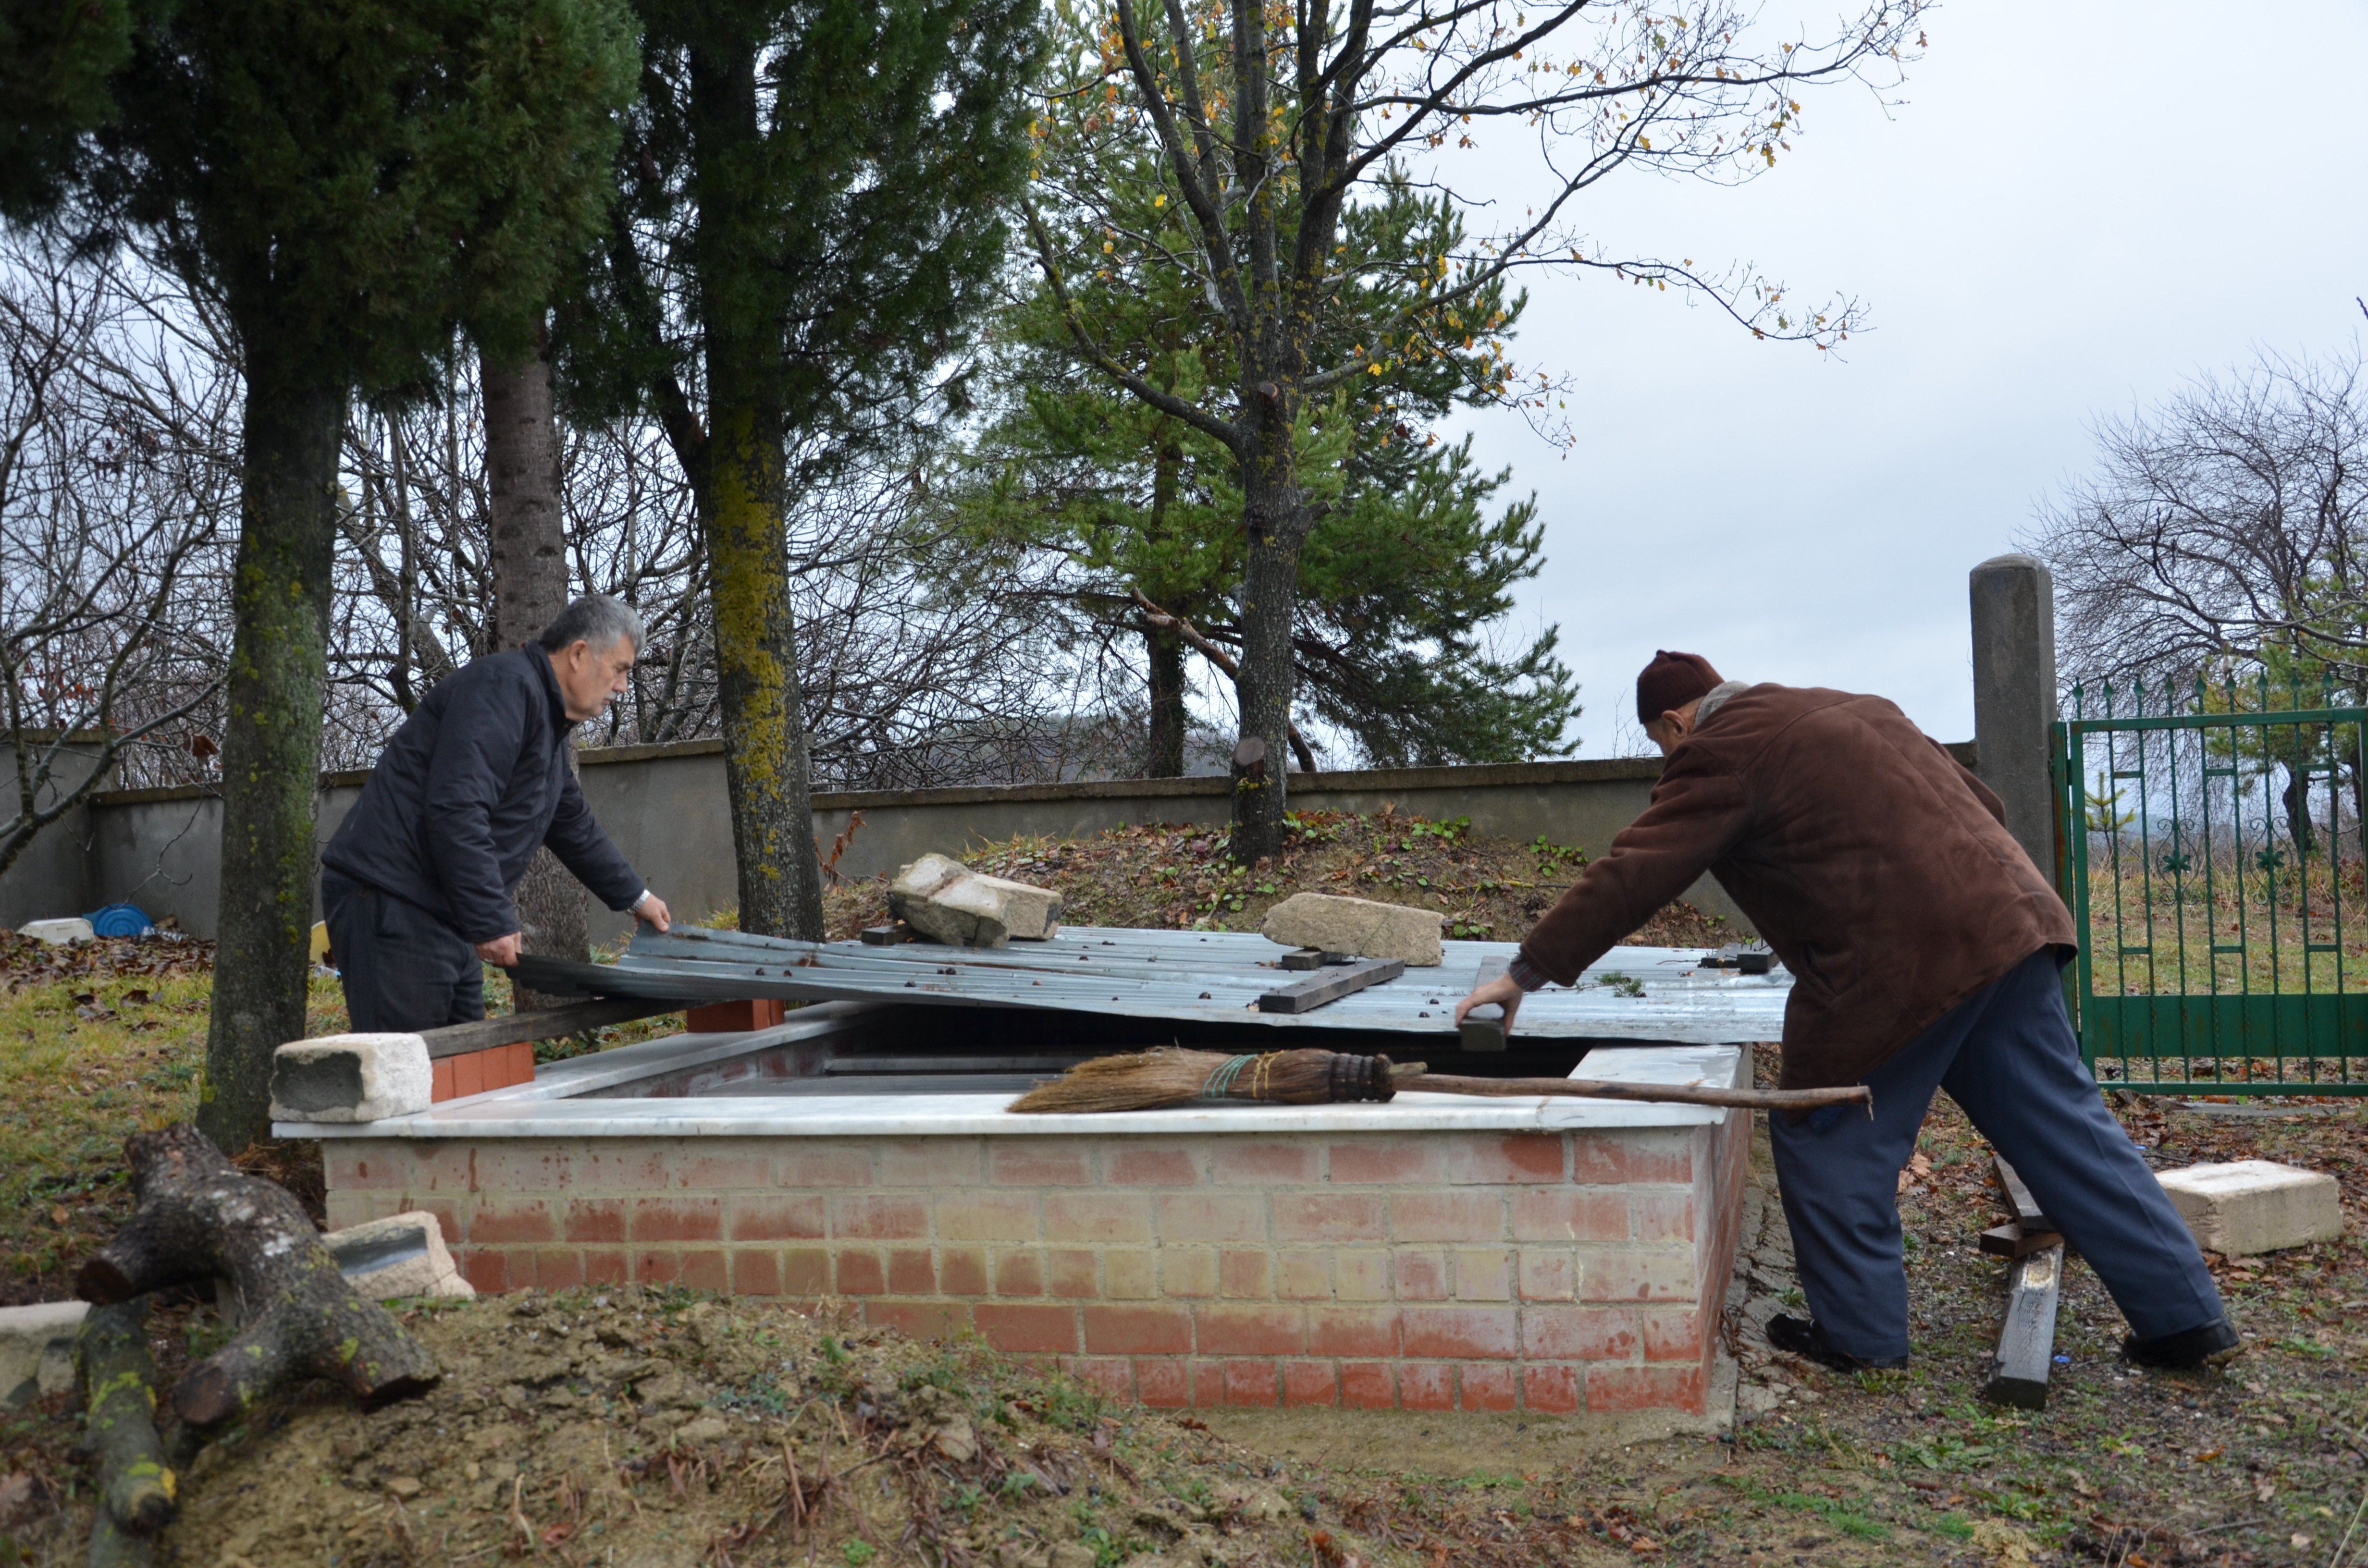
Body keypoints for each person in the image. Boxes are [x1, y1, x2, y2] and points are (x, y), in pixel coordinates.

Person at [1455, 650, 2238, 1372]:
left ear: (1673, 723)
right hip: (2011, 925)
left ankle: (1859, 1340)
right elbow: (1984, 800)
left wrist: (1526, 971)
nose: (1670, 761)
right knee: (2069, 1131)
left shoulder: (1718, 751)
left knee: (1822, 1126)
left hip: (1896, 965)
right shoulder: (1858, 706)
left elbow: (1635, 870)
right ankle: (2183, 1318)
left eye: (1664, 747)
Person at [320, 594, 675, 1033]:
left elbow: (571, 823)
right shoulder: (503, 690)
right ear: (580, 654)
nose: (622, 686)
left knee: (466, 1067)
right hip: (391, 900)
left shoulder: (545, 720)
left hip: (439, 911)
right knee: (411, 1070)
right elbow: (457, 808)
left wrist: (637, 899)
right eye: (620, 669)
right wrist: (491, 919)